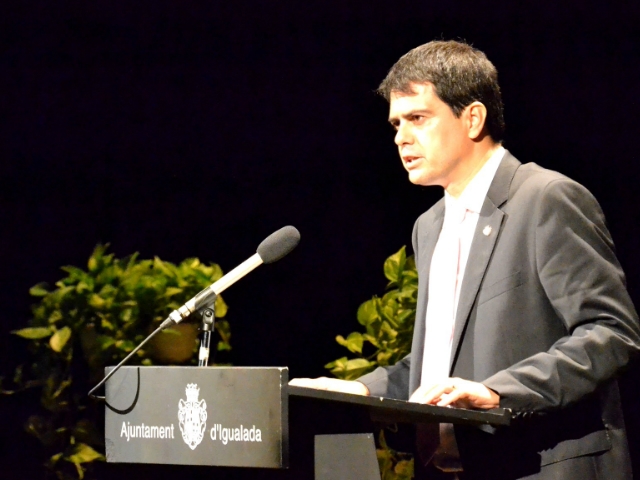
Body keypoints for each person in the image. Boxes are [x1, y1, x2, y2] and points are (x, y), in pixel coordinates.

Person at [290, 40, 640, 479]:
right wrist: (359, 388)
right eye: (396, 123)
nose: (401, 137)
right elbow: (438, 364)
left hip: (541, 464)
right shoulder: (429, 226)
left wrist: (498, 392)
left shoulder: (545, 199)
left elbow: (611, 333)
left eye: (418, 118)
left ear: (472, 118)